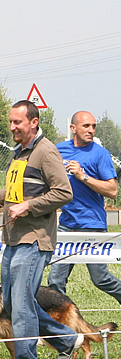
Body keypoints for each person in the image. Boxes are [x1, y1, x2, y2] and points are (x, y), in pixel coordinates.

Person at [0, 100, 83, 359]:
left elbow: (63, 192)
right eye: (10, 122)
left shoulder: (46, 152)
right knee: (14, 303)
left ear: (33, 122)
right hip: (13, 239)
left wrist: (28, 207)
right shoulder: (20, 152)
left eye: (17, 122)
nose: (11, 127)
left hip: (34, 241)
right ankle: (67, 339)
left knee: (20, 305)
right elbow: (16, 189)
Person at [47, 111, 121, 304]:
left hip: (93, 226)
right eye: (86, 126)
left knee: (101, 279)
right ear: (73, 129)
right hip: (66, 226)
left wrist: (83, 177)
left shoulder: (100, 154)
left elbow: (112, 190)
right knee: (55, 281)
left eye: (93, 126)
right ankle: (61, 328)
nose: (91, 130)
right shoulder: (59, 150)